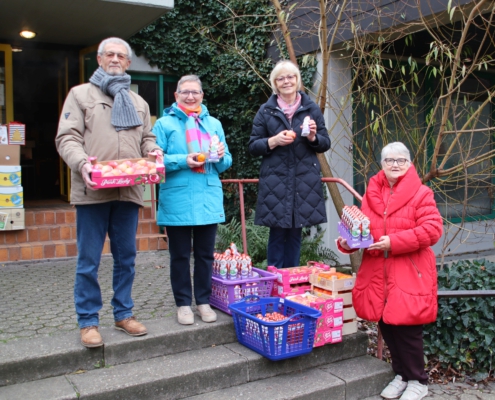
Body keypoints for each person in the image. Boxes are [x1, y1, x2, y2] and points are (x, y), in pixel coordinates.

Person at [56, 37, 163, 348]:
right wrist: (81, 164)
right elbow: (67, 138)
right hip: (93, 190)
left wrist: (154, 151)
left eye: (121, 55)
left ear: (128, 63)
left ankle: (123, 313)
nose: (116, 59)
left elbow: (147, 139)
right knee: (88, 259)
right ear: (100, 60)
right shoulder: (80, 95)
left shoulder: (138, 102)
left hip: (128, 191)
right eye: (110, 54)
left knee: (126, 257)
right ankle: (88, 321)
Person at [337, 142, 443, 400]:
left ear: (409, 163)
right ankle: (401, 375)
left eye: (401, 160)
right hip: (378, 272)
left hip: (409, 270)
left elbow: (432, 229)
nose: (395, 165)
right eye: (389, 160)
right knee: (387, 325)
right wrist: (348, 241)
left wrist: (394, 242)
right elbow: (363, 229)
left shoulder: (421, 194)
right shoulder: (372, 193)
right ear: (382, 165)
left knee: (408, 329)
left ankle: (418, 380)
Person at [152, 75, 232, 325]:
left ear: (202, 95)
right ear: (176, 96)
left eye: (195, 92)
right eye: (184, 92)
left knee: (206, 255)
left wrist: (220, 156)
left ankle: (203, 302)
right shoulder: (164, 124)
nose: (190, 96)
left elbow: (227, 161)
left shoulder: (214, 124)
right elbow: (155, 162)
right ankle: (183, 304)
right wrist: (182, 160)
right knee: (179, 256)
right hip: (178, 197)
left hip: (208, 195)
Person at [248, 60, 331, 269]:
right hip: (276, 180)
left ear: (297, 80)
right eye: (281, 78)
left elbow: (325, 143)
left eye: (291, 77)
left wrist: (313, 137)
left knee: (296, 233)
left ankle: (291, 280)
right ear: (275, 83)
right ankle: (275, 281)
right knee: (276, 233)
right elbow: (253, 145)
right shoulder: (266, 111)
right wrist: (273, 141)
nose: (287, 81)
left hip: (304, 180)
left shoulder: (311, 108)